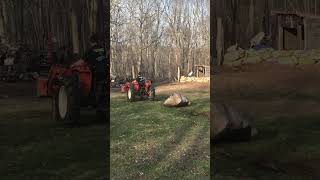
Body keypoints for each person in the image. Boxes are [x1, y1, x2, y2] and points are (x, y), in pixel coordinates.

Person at [84, 33, 107, 120]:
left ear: (91, 41)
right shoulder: (102, 49)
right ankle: (101, 109)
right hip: (104, 71)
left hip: (95, 72)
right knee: (102, 90)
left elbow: (84, 60)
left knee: (94, 90)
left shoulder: (90, 50)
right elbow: (104, 58)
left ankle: (94, 103)